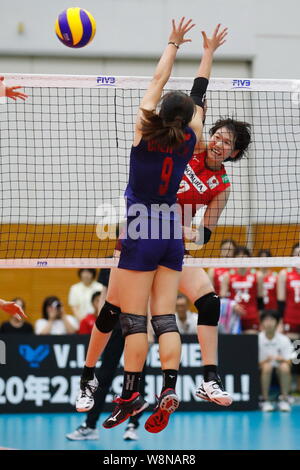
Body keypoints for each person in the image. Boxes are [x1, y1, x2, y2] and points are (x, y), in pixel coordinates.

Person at [77, 23, 248, 422]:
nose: (219, 142)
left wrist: (173, 44)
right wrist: (207, 53)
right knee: (140, 314)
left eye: (229, 143)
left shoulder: (147, 132)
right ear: (196, 125)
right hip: (168, 229)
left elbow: (164, 81)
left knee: (138, 317)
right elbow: (198, 94)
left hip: (147, 229)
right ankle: (134, 385)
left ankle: (137, 389)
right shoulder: (193, 139)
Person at [221, 246, 264, 334]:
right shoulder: (227, 275)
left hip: (252, 316)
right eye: (239, 255)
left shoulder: (257, 275)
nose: (241, 258)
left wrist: (261, 320)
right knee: (234, 345)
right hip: (233, 316)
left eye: (244, 255)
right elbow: (222, 299)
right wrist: (233, 306)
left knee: (250, 343)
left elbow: (260, 300)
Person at [259, 310, 294, 412]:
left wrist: (281, 359)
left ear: (277, 323)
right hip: (262, 370)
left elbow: (290, 362)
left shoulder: (284, 340)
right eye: (266, 320)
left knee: (284, 367)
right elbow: (252, 364)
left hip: (279, 370)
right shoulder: (257, 339)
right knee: (267, 367)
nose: (269, 323)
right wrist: (266, 360)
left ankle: (284, 400)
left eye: (272, 320)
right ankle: (265, 400)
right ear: (261, 323)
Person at [277, 243, 300, 394]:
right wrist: (280, 322)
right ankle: (290, 388)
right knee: (293, 355)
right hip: (290, 320)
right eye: (297, 253)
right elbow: (280, 301)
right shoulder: (285, 274)